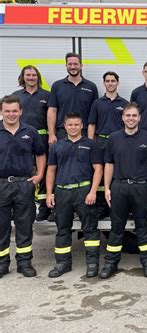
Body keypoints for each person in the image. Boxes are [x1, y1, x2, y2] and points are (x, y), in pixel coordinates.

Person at [100, 103, 147, 279]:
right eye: (128, 116)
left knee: (143, 226)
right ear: (123, 118)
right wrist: (107, 188)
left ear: (139, 118)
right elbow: (109, 164)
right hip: (119, 186)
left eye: (134, 116)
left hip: (141, 186)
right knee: (117, 227)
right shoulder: (113, 138)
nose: (131, 118)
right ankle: (111, 263)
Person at [46, 113, 103, 278]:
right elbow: (51, 170)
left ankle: (92, 264)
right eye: (70, 125)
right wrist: (49, 193)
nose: (73, 127)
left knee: (90, 229)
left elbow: (98, 169)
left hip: (83, 190)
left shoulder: (91, 145)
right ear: (65, 126)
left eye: (76, 124)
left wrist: (93, 191)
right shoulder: (57, 146)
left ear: (82, 125)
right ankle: (63, 263)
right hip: (62, 191)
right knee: (63, 229)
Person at [0, 95, 46, 278]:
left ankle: (24, 262)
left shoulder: (31, 131)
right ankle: (2, 263)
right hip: (1, 185)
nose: (11, 114)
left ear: (21, 111)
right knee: (1, 227)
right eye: (7, 111)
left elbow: (40, 154)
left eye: (14, 111)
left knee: (24, 225)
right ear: (2, 112)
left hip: (23, 184)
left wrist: (40, 175)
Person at [88, 71, 128, 218]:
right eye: (108, 81)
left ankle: (115, 206)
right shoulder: (97, 103)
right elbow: (92, 124)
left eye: (113, 81)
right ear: (104, 83)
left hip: (118, 141)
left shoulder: (124, 104)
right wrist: (91, 143)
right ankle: (101, 207)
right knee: (99, 173)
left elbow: (128, 125)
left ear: (118, 83)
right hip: (100, 141)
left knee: (116, 173)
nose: (110, 83)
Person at [13, 65, 51, 221]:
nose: (31, 77)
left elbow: (51, 116)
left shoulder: (47, 95)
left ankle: (44, 208)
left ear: (38, 77)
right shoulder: (16, 96)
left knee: (45, 170)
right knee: (24, 171)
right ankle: (23, 206)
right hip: (22, 138)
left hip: (42, 137)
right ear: (23, 77)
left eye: (34, 75)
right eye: (28, 75)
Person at [47, 52, 98, 143]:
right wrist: (51, 134)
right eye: (70, 64)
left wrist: (91, 136)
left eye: (75, 64)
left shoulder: (91, 86)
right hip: (62, 132)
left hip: (84, 132)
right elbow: (52, 110)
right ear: (66, 66)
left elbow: (94, 114)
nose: (73, 67)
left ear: (81, 65)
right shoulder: (57, 86)